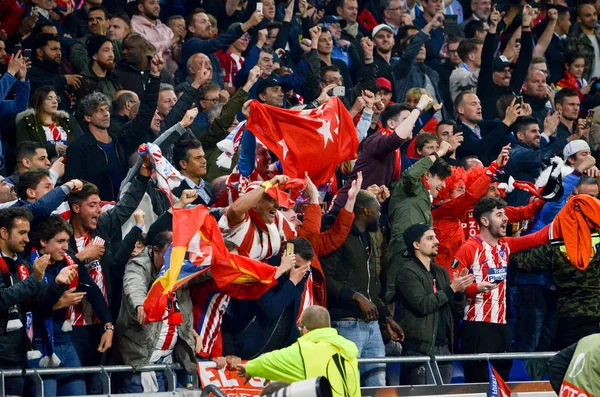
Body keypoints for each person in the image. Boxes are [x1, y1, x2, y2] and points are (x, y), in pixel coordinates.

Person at [452, 197, 551, 383]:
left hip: (501, 325)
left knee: (502, 380)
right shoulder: (469, 248)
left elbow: (539, 238)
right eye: (499, 215)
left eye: (505, 214)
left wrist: (568, 214)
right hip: (477, 325)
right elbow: (451, 285)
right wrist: (475, 288)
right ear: (484, 221)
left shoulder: (505, 245)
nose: (506, 218)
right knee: (479, 384)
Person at [321, 190, 404, 387]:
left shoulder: (367, 238)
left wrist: (386, 318)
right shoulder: (338, 235)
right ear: (366, 211)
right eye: (377, 209)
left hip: (372, 326)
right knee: (347, 386)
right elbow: (325, 278)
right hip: (345, 324)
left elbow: (371, 288)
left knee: (377, 386)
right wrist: (356, 297)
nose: (380, 214)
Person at [29, 215, 113, 397]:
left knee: (78, 392)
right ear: (43, 242)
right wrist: (58, 302)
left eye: (67, 241)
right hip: (40, 344)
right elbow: (30, 308)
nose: (66, 247)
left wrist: (108, 325)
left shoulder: (70, 262)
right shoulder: (30, 266)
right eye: (60, 241)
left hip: (66, 342)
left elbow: (94, 292)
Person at [0, 207, 76, 396]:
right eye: (22, 233)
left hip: (18, 354)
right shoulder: (28, 270)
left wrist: (58, 283)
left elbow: (41, 304)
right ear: (3, 233)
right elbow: (3, 298)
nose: (27, 238)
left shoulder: (23, 266)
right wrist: (35, 278)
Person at [116, 231, 197, 393]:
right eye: (167, 257)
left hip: (169, 360)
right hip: (141, 361)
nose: (172, 263)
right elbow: (134, 284)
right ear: (155, 250)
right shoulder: (139, 265)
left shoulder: (181, 267)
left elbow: (206, 273)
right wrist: (140, 305)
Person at [395, 223, 473, 385]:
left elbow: (456, 311)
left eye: (436, 237)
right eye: (430, 238)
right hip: (419, 350)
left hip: (444, 348)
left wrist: (459, 293)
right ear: (416, 244)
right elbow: (422, 305)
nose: (437, 241)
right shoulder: (407, 272)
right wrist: (452, 288)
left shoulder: (441, 272)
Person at [236, 305, 360, 397]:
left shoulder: (304, 351)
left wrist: (250, 367)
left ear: (305, 329)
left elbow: (270, 360)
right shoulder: (348, 350)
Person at [222, 237, 312, 359]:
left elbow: (288, 317)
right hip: (243, 353)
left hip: (272, 357)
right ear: (285, 255)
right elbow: (270, 309)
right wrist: (291, 282)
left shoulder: (299, 277)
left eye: (305, 269)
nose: (301, 272)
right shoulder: (264, 270)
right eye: (297, 266)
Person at [387, 141, 452, 259]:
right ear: (427, 175)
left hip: (416, 251)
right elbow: (411, 175)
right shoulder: (412, 187)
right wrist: (439, 153)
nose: (443, 185)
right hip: (404, 249)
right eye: (441, 178)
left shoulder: (423, 195)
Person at [64, 92, 127, 201]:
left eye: (106, 109)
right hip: (98, 207)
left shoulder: (118, 142)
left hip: (123, 204)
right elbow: (76, 185)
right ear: (88, 117)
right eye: (99, 110)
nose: (106, 114)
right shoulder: (78, 148)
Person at [182, 9, 263, 88]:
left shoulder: (211, 52)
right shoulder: (191, 45)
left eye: (208, 21)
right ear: (191, 28)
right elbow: (218, 42)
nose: (209, 25)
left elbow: (218, 75)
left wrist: (221, 91)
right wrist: (248, 23)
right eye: (203, 22)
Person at [16, 86, 78, 159]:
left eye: (56, 98)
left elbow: (79, 142)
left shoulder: (65, 120)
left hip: (68, 165)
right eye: (49, 98)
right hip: (41, 168)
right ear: (39, 101)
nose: (55, 101)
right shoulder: (28, 122)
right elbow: (24, 149)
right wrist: (52, 149)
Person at [28, 34, 81, 112]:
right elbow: (37, 89)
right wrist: (63, 80)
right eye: (54, 49)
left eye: (59, 49)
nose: (59, 53)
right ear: (40, 52)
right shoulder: (30, 71)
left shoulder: (55, 70)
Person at [76, 34, 122, 102]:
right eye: (106, 50)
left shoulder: (115, 80)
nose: (111, 55)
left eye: (112, 50)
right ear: (94, 55)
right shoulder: (82, 83)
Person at [172, 139, 211, 205]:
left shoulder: (209, 187)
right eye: (198, 158)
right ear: (183, 164)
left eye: (203, 157)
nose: (204, 161)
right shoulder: (175, 191)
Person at [567, 3, 600, 82]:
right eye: (588, 15)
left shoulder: (598, 38)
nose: (593, 18)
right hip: (582, 87)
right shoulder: (573, 39)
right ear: (579, 19)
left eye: (594, 14)